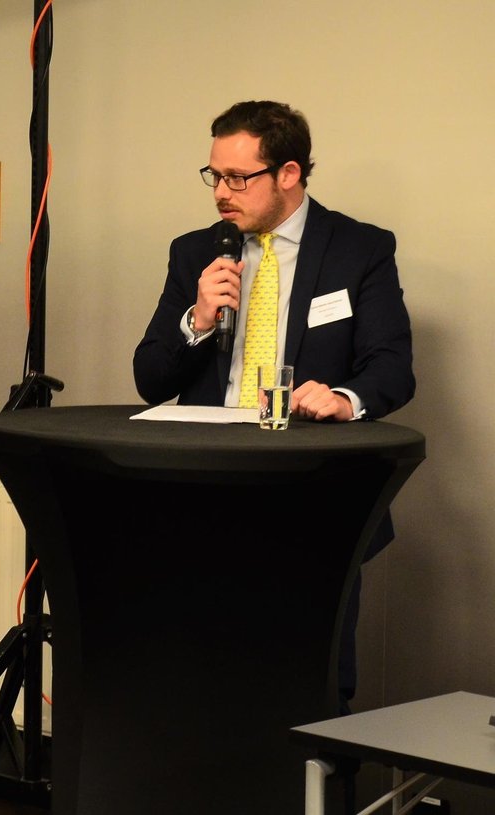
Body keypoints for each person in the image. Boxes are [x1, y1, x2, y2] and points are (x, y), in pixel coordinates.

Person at [133, 100, 416, 704]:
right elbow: (150, 378)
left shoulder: (358, 249)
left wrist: (344, 397)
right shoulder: (196, 252)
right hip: (204, 493)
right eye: (215, 175)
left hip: (313, 497)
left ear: (289, 173)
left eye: (239, 178)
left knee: (310, 685)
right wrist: (198, 319)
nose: (221, 193)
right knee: (205, 678)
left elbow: (392, 368)